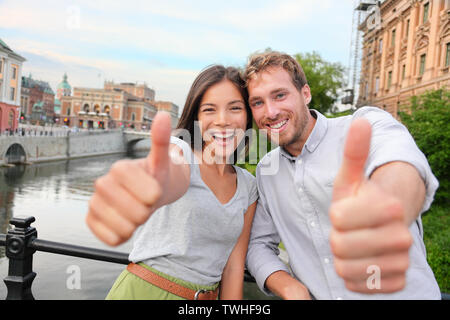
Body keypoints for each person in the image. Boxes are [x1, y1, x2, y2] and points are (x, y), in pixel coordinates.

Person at [244, 50, 441, 300]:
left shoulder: (363, 126)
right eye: (258, 102)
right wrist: (288, 286)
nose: (270, 112)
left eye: (280, 95)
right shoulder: (266, 171)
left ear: (305, 93)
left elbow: (401, 163)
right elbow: (259, 245)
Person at [86, 65, 257, 300]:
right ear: (196, 117)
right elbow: (170, 175)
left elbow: (234, 268)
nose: (222, 120)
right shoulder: (182, 152)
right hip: (144, 293)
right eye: (209, 110)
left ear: (248, 114)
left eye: (235, 108)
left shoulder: (248, 186)